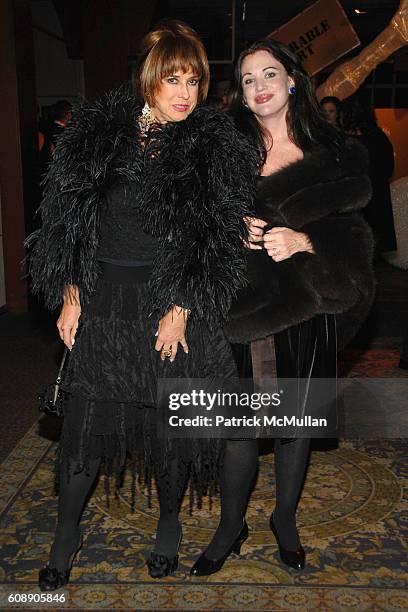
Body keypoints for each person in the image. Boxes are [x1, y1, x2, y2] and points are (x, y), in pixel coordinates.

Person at [26, 20, 258, 590]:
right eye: (173, 78)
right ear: (148, 79)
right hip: (103, 296)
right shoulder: (97, 134)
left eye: (195, 81)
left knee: (168, 424)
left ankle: (169, 522)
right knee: (84, 425)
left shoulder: (210, 145)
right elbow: (67, 221)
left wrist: (180, 306)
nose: (185, 93)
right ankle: (66, 533)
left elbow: (210, 236)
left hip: (170, 300)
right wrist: (71, 294)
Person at [190, 39, 375, 576]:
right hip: (246, 309)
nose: (260, 86)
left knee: (294, 425)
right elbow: (185, 229)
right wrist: (226, 229)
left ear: (293, 80)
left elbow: (360, 243)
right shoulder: (223, 152)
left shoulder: (335, 154)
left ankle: (285, 520)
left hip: (309, 306)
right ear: (240, 93)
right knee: (239, 428)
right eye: (247, 79)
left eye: (269, 73)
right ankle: (231, 525)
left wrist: (306, 243)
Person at [342, 94, 397, 254]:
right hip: (376, 198)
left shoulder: (346, 140)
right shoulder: (379, 137)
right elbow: (388, 168)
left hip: (355, 200)